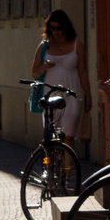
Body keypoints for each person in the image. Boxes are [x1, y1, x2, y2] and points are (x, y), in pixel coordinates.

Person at [30, 9, 90, 146]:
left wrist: (88, 95)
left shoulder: (77, 46)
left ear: (65, 27)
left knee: (68, 137)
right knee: (51, 138)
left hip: (72, 95)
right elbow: (34, 73)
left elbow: (83, 72)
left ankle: (67, 167)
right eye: (52, 28)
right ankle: (51, 166)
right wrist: (44, 66)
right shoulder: (44, 46)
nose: (55, 31)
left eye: (59, 28)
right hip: (49, 96)